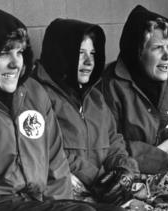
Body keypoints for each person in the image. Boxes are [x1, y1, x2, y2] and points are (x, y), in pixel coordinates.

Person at [0, 2, 121, 211]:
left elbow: (56, 166)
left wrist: (63, 205)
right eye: (4, 52)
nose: (15, 63)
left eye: (20, 52)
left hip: (35, 202)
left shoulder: (33, 93)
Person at [32, 18, 139, 207]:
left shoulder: (95, 98)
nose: (89, 62)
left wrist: (123, 170)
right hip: (61, 198)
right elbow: (50, 152)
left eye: (92, 53)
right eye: (80, 53)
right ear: (61, 55)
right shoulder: (37, 95)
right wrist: (99, 178)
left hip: (100, 193)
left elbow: (113, 141)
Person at [100, 5, 168, 176]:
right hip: (131, 174)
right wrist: (160, 158)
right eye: (157, 48)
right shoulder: (110, 86)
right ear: (137, 51)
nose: (167, 56)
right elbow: (110, 146)